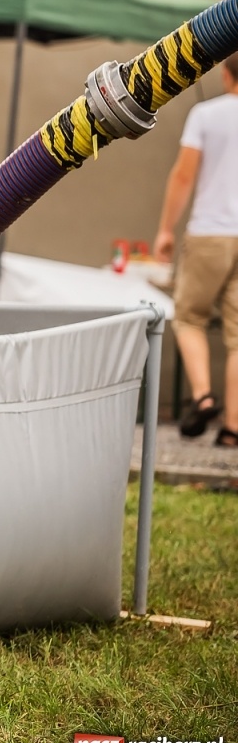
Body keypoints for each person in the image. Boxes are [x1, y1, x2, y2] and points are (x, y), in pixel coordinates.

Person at [155, 53, 238, 449]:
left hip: (210, 233)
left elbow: (184, 174)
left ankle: (203, 395)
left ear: (225, 74)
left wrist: (165, 231)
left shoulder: (206, 115)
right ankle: (232, 429)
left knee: (188, 316)